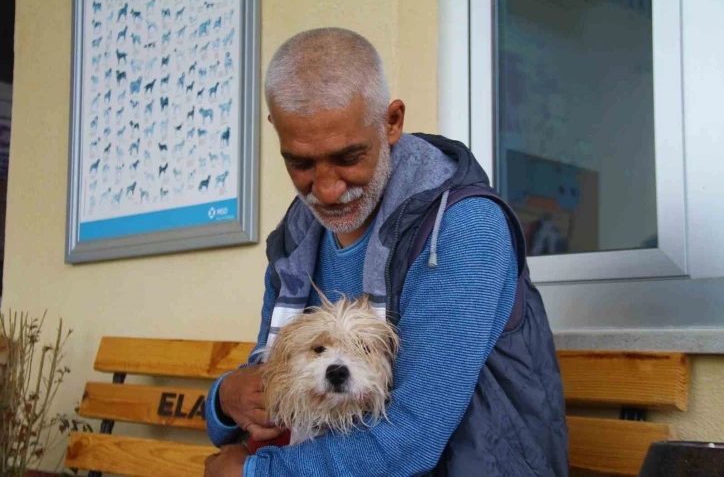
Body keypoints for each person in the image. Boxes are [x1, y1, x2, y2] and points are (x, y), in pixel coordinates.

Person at [204, 27, 569, 477]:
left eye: (348, 157)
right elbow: (273, 376)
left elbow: (412, 437)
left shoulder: (462, 227)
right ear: (276, 131)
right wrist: (223, 400)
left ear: (392, 122)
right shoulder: (298, 237)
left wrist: (255, 474)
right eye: (301, 163)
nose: (327, 189)